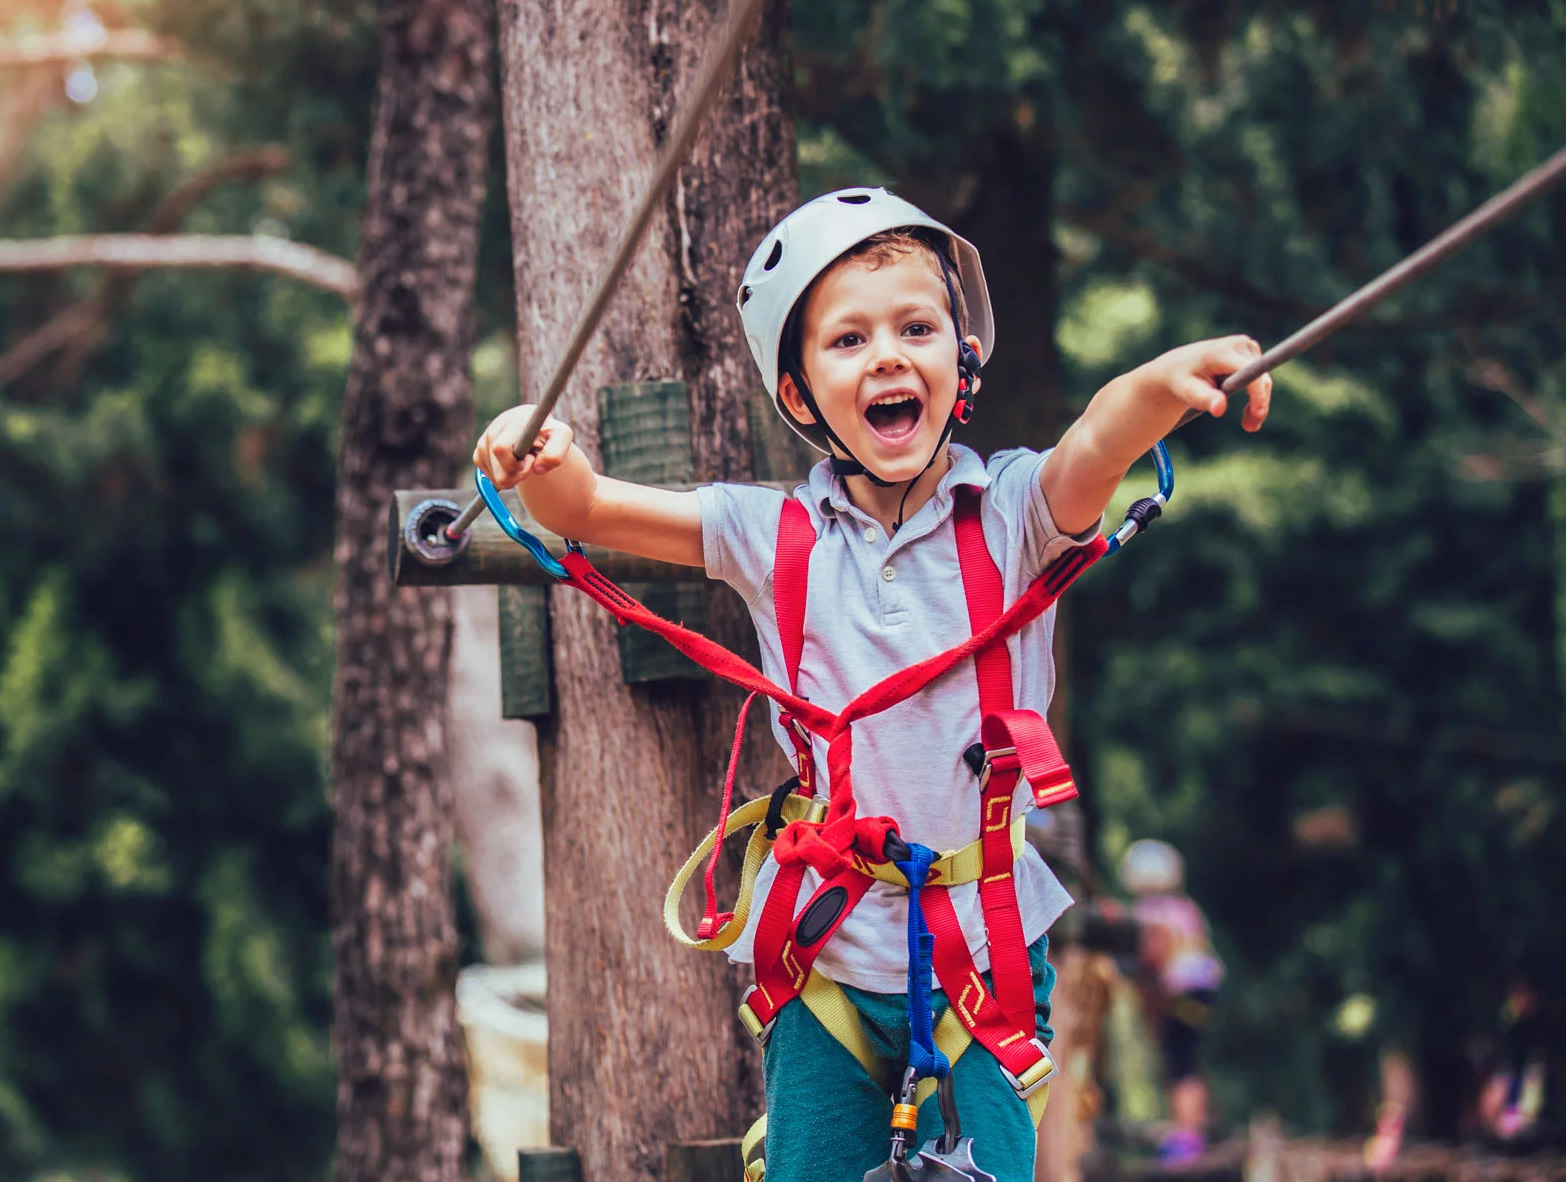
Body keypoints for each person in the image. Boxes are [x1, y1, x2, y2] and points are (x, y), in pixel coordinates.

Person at [473, 188, 1272, 1182]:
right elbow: (589, 508)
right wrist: (533, 450)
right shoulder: (770, 536)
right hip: (828, 961)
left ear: (959, 363)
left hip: (983, 952)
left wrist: (1160, 382)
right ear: (801, 395)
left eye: (916, 328)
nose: (889, 355)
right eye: (847, 340)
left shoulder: (1017, 513)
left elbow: (1100, 440)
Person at [1118, 838, 1223, 1166]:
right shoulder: (1185, 908)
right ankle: (1192, 1128)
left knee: (1180, 1064)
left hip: (1178, 994)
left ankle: (1187, 1139)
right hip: (1202, 989)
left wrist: (1151, 1002)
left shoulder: (1146, 915)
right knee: (1188, 1059)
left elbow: (1152, 961)